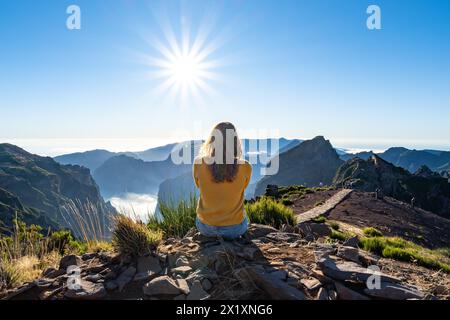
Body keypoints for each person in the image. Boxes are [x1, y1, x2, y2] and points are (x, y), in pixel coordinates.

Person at [193, 122, 252, 239]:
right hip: (234, 229)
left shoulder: (198, 163)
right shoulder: (246, 167)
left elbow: (198, 185)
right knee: (246, 218)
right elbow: (243, 188)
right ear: (235, 141)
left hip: (205, 227)